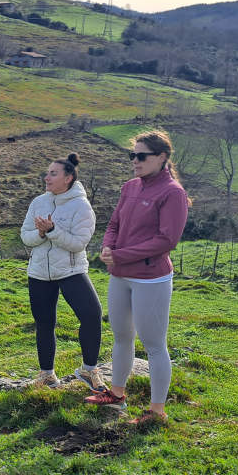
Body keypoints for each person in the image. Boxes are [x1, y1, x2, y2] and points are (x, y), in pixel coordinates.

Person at [85, 131, 190, 425]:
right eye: (132, 155)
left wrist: (121, 255)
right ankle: (117, 395)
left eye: (141, 156)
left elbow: (167, 241)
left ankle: (157, 412)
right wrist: (108, 247)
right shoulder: (130, 187)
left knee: (154, 345)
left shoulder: (173, 193)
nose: (135, 160)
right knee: (121, 337)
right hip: (120, 275)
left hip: (150, 278)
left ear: (162, 157)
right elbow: (114, 224)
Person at [20, 152, 105, 390]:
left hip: (71, 271)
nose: (46, 178)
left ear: (68, 178)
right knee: (44, 323)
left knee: (92, 315)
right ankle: (47, 376)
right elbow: (25, 236)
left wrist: (52, 230)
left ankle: (89, 370)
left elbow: (79, 243)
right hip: (39, 272)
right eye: (47, 173)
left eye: (53, 174)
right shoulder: (38, 202)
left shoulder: (81, 206)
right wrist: (40, 233)